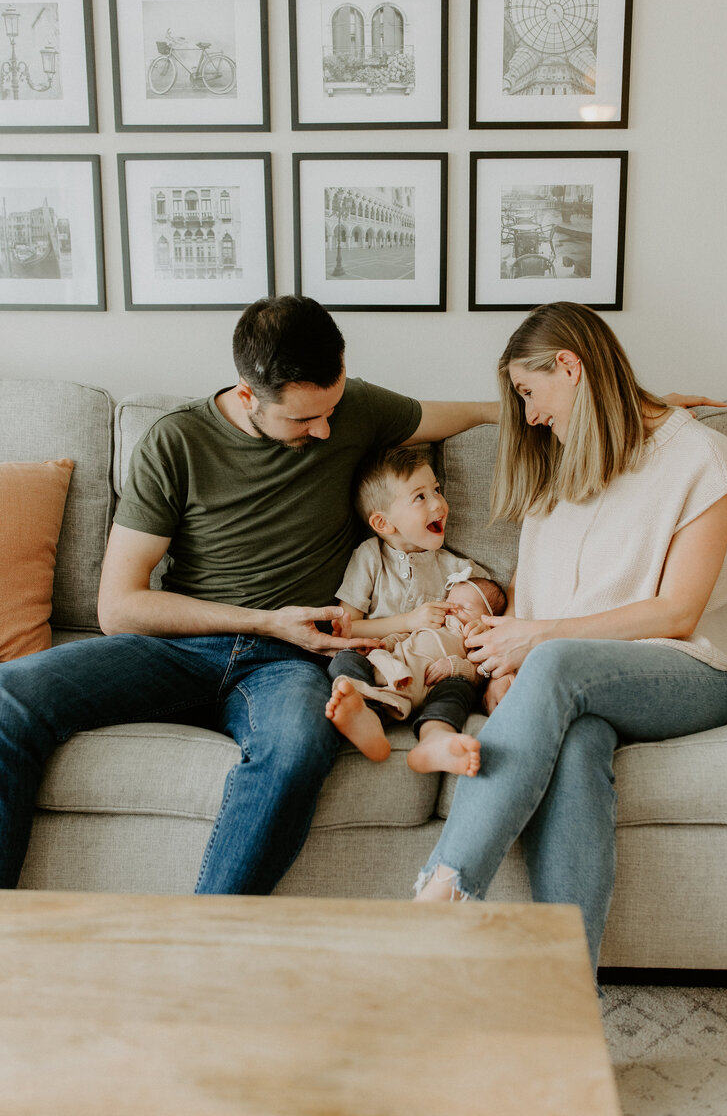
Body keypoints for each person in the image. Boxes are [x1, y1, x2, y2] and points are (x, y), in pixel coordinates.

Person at [0, 295, 498, 895]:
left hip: (290, 663)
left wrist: (526, 407)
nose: (326, 430)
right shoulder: (175, 442)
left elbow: (459, 413)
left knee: (294, 753)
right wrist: (266, 620)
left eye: (332, 409)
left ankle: (212, 944)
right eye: (302, 420)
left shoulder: (350, 408)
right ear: (247, 395)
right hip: (182, 648)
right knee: (10, 699)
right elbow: (119, 607)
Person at [413, 301, 727, 981]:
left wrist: (538, 645)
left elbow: (679, 610)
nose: (530, 415)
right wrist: (512, 675)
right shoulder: (561, 472)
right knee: (579, 741)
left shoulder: (702, 458)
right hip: (577, 685)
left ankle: (442, 891)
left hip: (689, 673)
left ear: (569, 365)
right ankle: (568, 994)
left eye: (530, 393)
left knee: (561, 664)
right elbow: (535, 623)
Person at [324, 445, 507, 774]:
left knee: (460, 688)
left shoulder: (458, 571)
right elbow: (345, 627)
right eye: (420, 497)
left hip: (434, 675)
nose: (438, 503)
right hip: (380, 665)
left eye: (436, 490)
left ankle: (435, 738)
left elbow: (489, 618)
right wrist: (409, 621)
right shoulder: (369, 557)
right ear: (383, 522)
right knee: (345, 660)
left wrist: (477, 634)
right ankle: (368, 718)